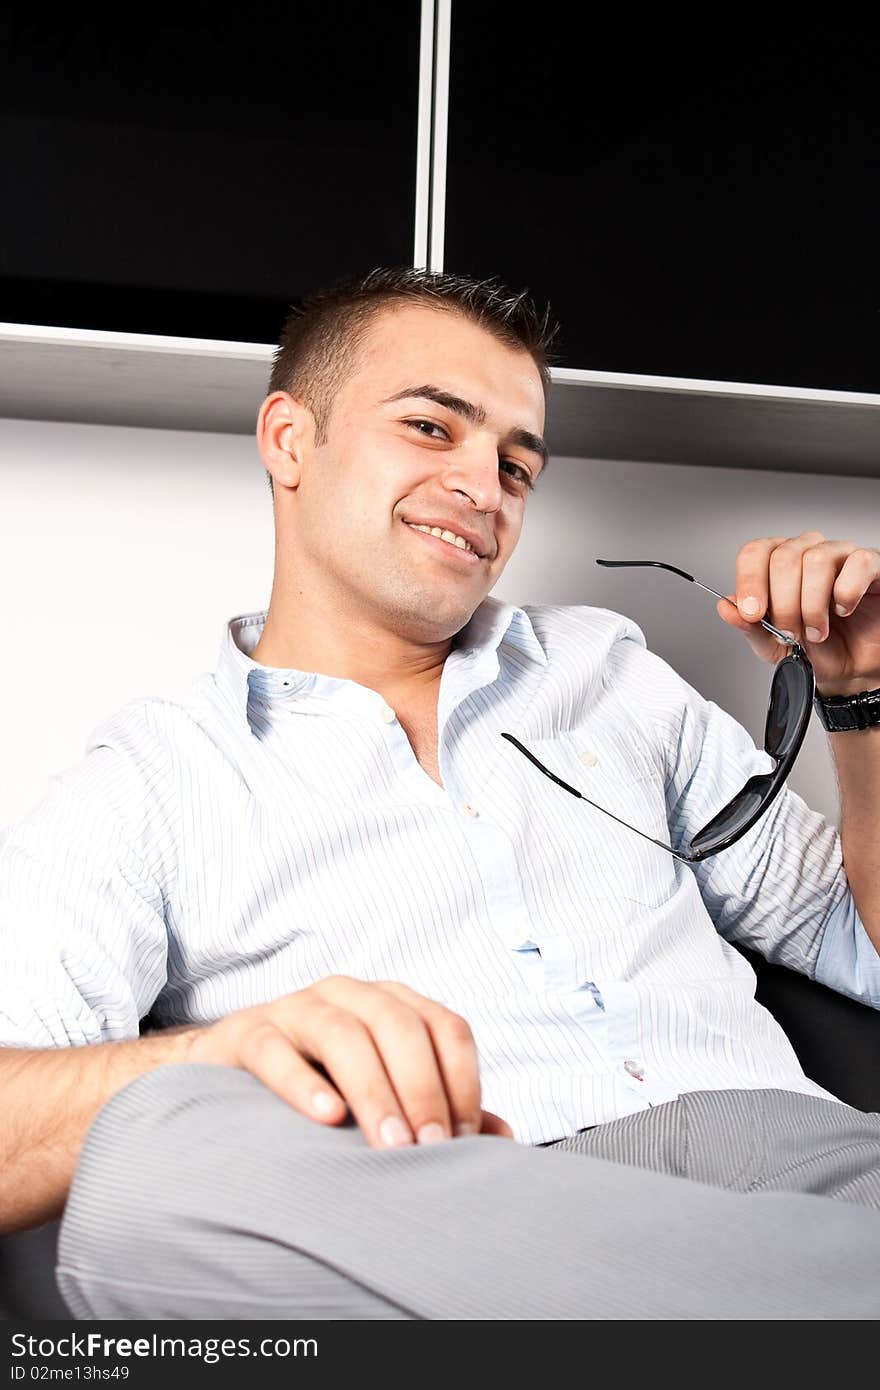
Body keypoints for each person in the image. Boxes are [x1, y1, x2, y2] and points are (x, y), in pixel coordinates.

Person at [1, 266, 879, 1321]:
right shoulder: (153, 777)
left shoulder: (615, 675)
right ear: (288, 439)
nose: (484, 486)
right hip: (461, 1211)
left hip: (801, 1165)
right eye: (430, 427)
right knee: (153, 1167)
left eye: (518, 464)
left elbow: (854, 941)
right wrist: (222, 1052)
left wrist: (860, 698)